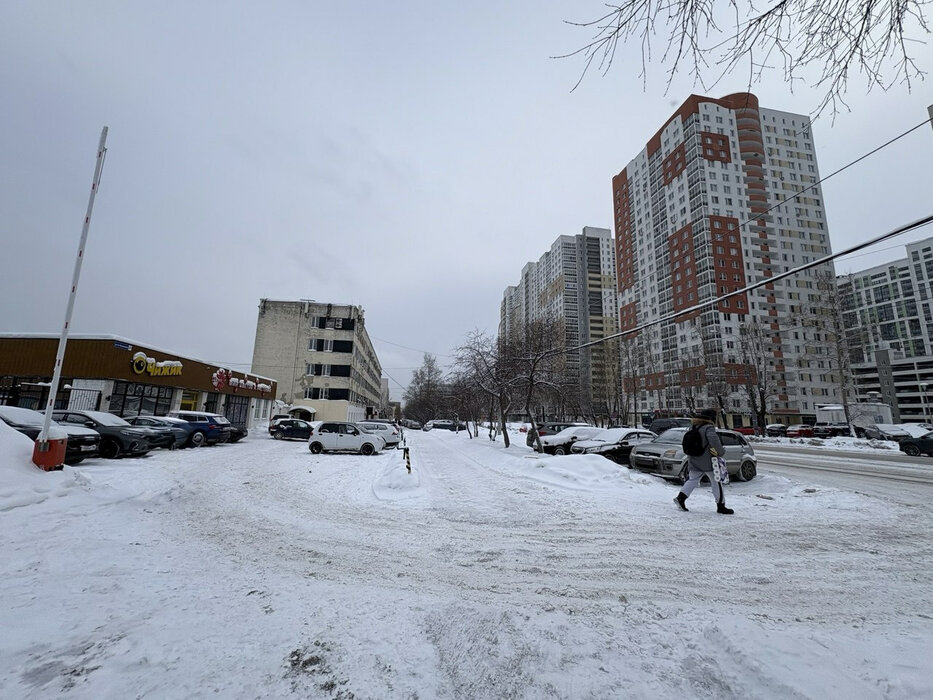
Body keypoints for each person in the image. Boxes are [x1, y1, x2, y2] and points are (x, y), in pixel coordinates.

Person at [674, 407, 734, 514]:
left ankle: (681, 498)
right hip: (708, 461)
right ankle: (721, 506)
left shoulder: (693, 427)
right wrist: (721, 452)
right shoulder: (708, 427)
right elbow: (714, 442)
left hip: (693, 459)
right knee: (716, 482)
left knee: (692, 480)